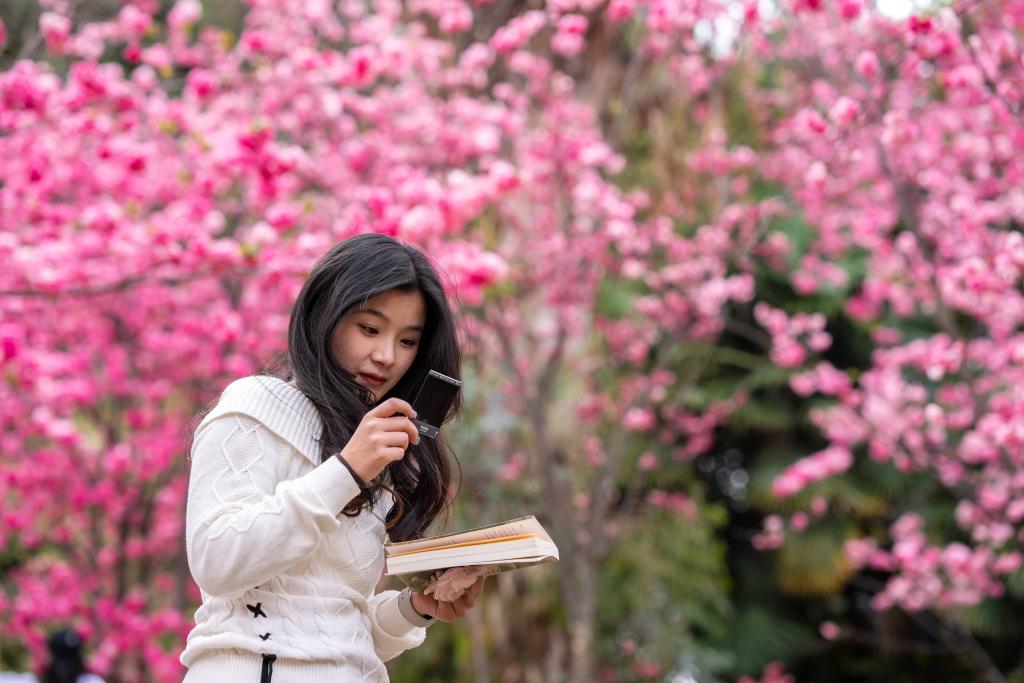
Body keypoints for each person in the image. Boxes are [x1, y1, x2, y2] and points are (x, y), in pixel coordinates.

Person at [180, 233, 484, 682]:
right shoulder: (257, 404)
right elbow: (217, 561)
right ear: (325, 316)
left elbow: (337, 631)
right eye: (369, 329)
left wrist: (417, 608)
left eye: (407, 341)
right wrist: (346, 471)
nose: (385, 356)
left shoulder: (370, 445)